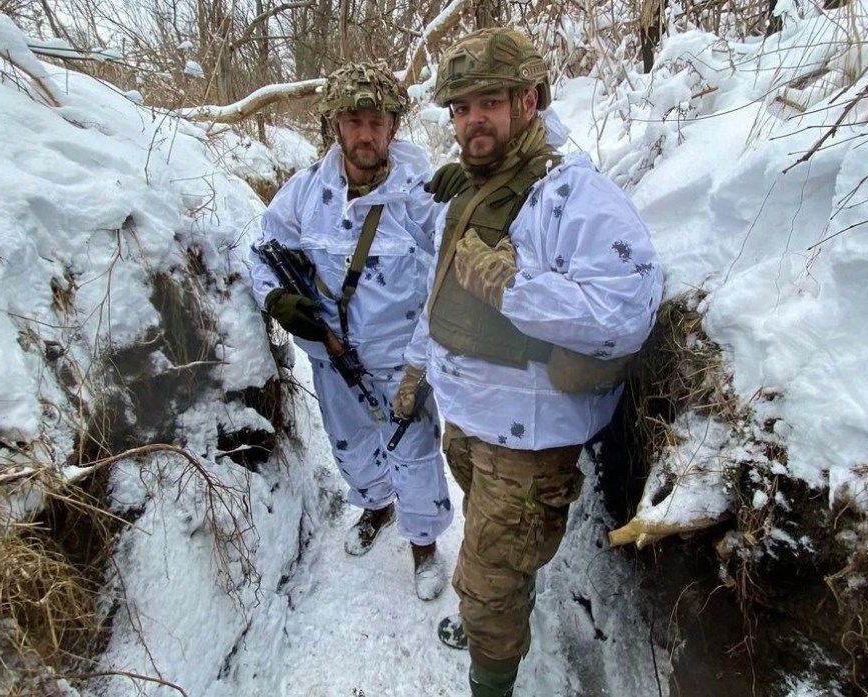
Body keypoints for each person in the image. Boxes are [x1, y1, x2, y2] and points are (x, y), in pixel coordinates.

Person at [394, 29, 663, 696]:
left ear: (530, 100)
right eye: (459, 108)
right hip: (469, 419)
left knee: (484, 584)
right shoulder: (473, 189)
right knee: (503, 559)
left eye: (487, 101)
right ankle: (506, 604)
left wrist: (513, 288)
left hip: (528, 440)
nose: (469, 120)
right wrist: (416, 366)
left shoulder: (570, 195)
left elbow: (626, 312)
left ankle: (493, 663)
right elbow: (440, 296)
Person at [250, 63, 452, 601]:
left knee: (414, 450)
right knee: (353, 446)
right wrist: (276, 298)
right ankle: (376, 507)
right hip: (329, 357)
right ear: (335, 126)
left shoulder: (420, 195)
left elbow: (447, 277)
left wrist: (422, 360)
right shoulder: (306, 194)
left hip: (402, 358)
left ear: (392, 127)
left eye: (376, 121)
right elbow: (263, 251)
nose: (365, 134)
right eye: (353, 121)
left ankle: (424, 546)